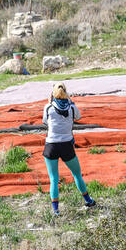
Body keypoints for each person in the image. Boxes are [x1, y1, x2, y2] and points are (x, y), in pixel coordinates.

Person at [41, 83, 97, 215]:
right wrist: (71, 102)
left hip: (51, 145)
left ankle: (56, 210)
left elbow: (45, 122)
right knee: (77, 174)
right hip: (66, 145)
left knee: (54, 179)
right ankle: (88, 200)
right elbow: (78, 117)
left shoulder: (48, 107)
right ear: (66, 92)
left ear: (52, 93)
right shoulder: (71, 108)